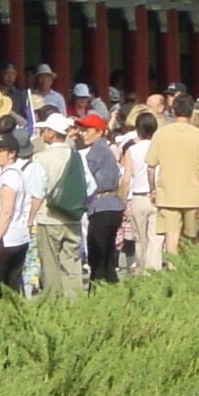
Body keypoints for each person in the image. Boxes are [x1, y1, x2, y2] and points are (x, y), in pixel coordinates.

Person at [25, 111, 85, 298]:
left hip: (49, 218)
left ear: (52, 133)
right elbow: (90, 186)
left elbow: (37, 192)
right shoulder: (77, 157)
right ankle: (76, 303)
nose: (42, 133)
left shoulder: (42, 158)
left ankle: (55, 304)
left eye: (44, 130)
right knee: (72, 264)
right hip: (72, 217)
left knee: (51, 267)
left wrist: (30, 218)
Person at [147, 94, 199, 259]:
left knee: (171, 235)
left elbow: (151, 167)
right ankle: (190, 269)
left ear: (173, 110)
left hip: (167, 193)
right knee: (192, 235)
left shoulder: (161, 133)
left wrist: (153, 190)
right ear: (192, 112)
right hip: (192, 194)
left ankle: (172, 269)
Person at [75, 113, 124, 286]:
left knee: (98, 258)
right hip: (111, 206)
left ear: (99, 132)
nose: (83, 134)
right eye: (81, 130)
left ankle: (98, 295)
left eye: (87, 130)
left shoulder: (97, 151)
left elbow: (85, 180)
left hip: (101, 207)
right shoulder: (106, 150)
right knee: (108, 256)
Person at [0, 133, 33, 293]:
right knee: (13, 287)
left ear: (12, 154)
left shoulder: (9, 176)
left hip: (5, 239)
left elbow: (6, 211)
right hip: (16, 236)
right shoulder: (11, 174)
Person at [122, 110, 163, 273]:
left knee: (140, 239)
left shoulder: (132, 150)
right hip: (158, 195)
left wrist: (122, 200)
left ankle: (141, 270)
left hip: (138, 197)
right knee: (156, 238)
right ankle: (154, 272)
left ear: (138, 129)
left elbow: (126, 179)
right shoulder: (161, 148)